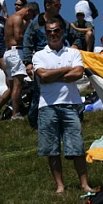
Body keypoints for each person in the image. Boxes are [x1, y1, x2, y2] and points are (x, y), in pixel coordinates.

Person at [33, 19, 93, 194]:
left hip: (71, 104)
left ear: (62, 32)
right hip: (47, 106)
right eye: (50, 31)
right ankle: (60, 185)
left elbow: (78, 73)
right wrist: (66, 70)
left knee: (77, 146)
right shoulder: (39, 55)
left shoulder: (73, 53)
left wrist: (52, 76)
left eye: (56, 30)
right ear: (46, 34)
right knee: (51, 148)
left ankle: (84, 184)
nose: (53, 34)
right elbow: (42, 76)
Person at [0, 2, 39, 121]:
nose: (32, 18)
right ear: (29, 11)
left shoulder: (12, 18)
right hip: (17, 52)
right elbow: (18, 37)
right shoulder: (18, 18)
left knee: (12, 87)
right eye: (33, 15)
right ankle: (15, 114)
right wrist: (31, 36)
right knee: (18, 84)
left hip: (9, 53)